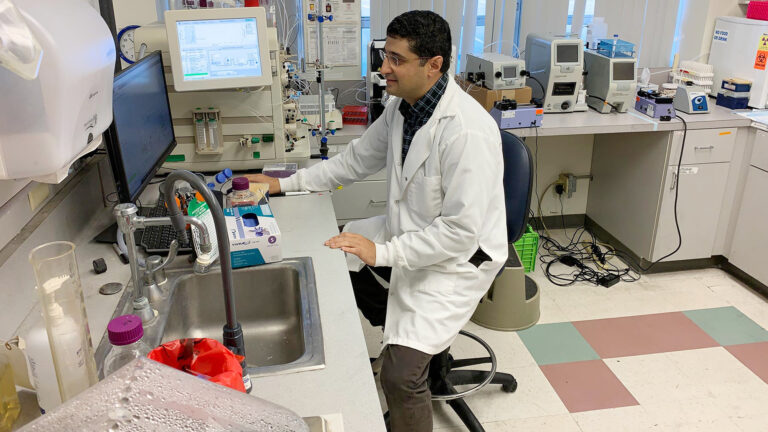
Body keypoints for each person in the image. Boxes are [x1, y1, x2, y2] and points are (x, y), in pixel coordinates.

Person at [247, 10, 507, 432]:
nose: (383, 68)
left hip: (459, 258)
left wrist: (383, 252)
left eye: (396, 59)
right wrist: (285, 185)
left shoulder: (466, 132)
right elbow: (352, 162)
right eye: (385, 55)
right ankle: (401, 330)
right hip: (413, 232)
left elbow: (460, 233)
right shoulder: (402, 108)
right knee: (334, 253)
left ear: (434, 65)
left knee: (399, 377)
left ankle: (410, 353)